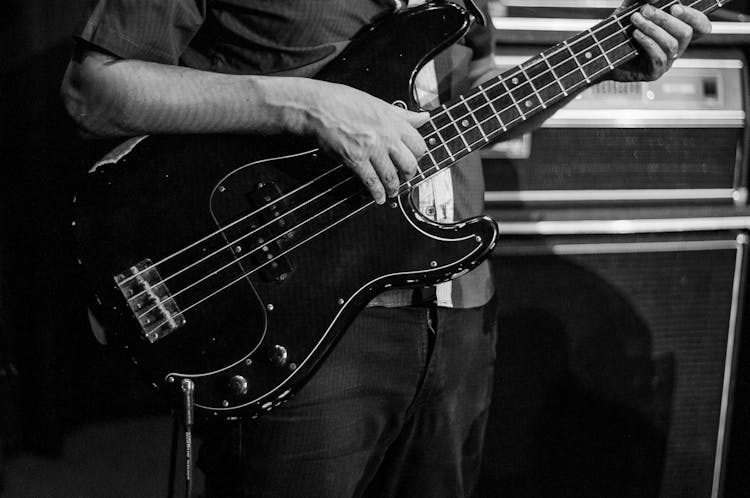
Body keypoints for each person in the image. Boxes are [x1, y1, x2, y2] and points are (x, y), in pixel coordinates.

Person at [61, 1, 712, 496]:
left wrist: (600, 65)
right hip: (303, 316)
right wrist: (309, 105)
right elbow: (94, 90)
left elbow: (471, 107)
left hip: (454, 316)